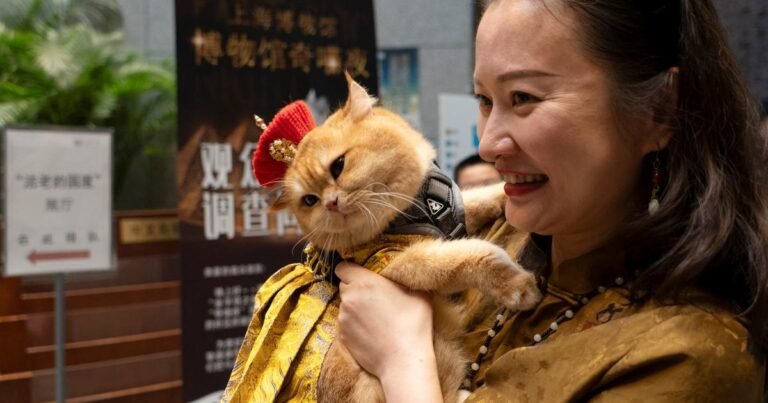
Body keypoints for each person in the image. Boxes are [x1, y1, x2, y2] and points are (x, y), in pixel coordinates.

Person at [335, 0, 768, 401]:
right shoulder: (492, 238)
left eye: (523, 98)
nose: (487, 144)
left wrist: (403, 362)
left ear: (659, 110)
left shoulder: (692, 356)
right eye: (485, 100)